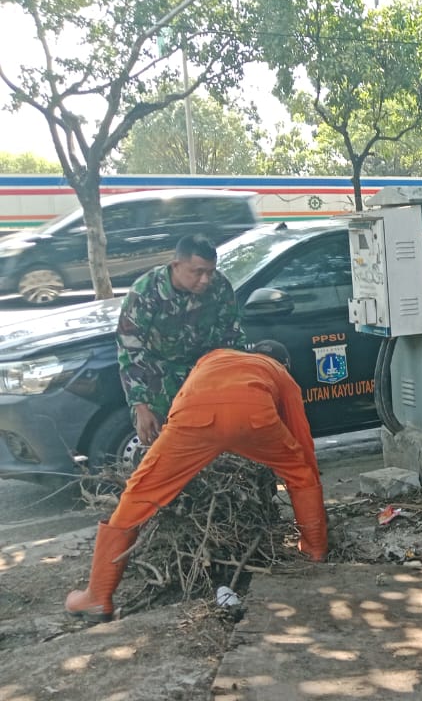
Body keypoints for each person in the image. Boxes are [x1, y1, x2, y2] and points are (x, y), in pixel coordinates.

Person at [66, 341, 328, 622]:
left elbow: (187, 401)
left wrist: (179, 450)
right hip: (254, 416)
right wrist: (305, 476)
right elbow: (302, 438)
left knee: (139, 494)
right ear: (283, 363)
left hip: (193, 418)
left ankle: (97, 597)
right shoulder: (279, 372)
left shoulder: (212, 358)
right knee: (300, 472)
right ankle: (314, 549)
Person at [117, 235, 246, 447]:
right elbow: (130, 350)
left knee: (212, 450)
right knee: (163, 451)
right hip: (158, 382)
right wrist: (140, 405)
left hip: (204, 379)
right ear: (176, 265)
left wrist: (235, 387)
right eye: (198, 272)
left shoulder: (220, 287)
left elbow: (231, 338)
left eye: (210, 271)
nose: (206, 279)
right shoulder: (146, 291)